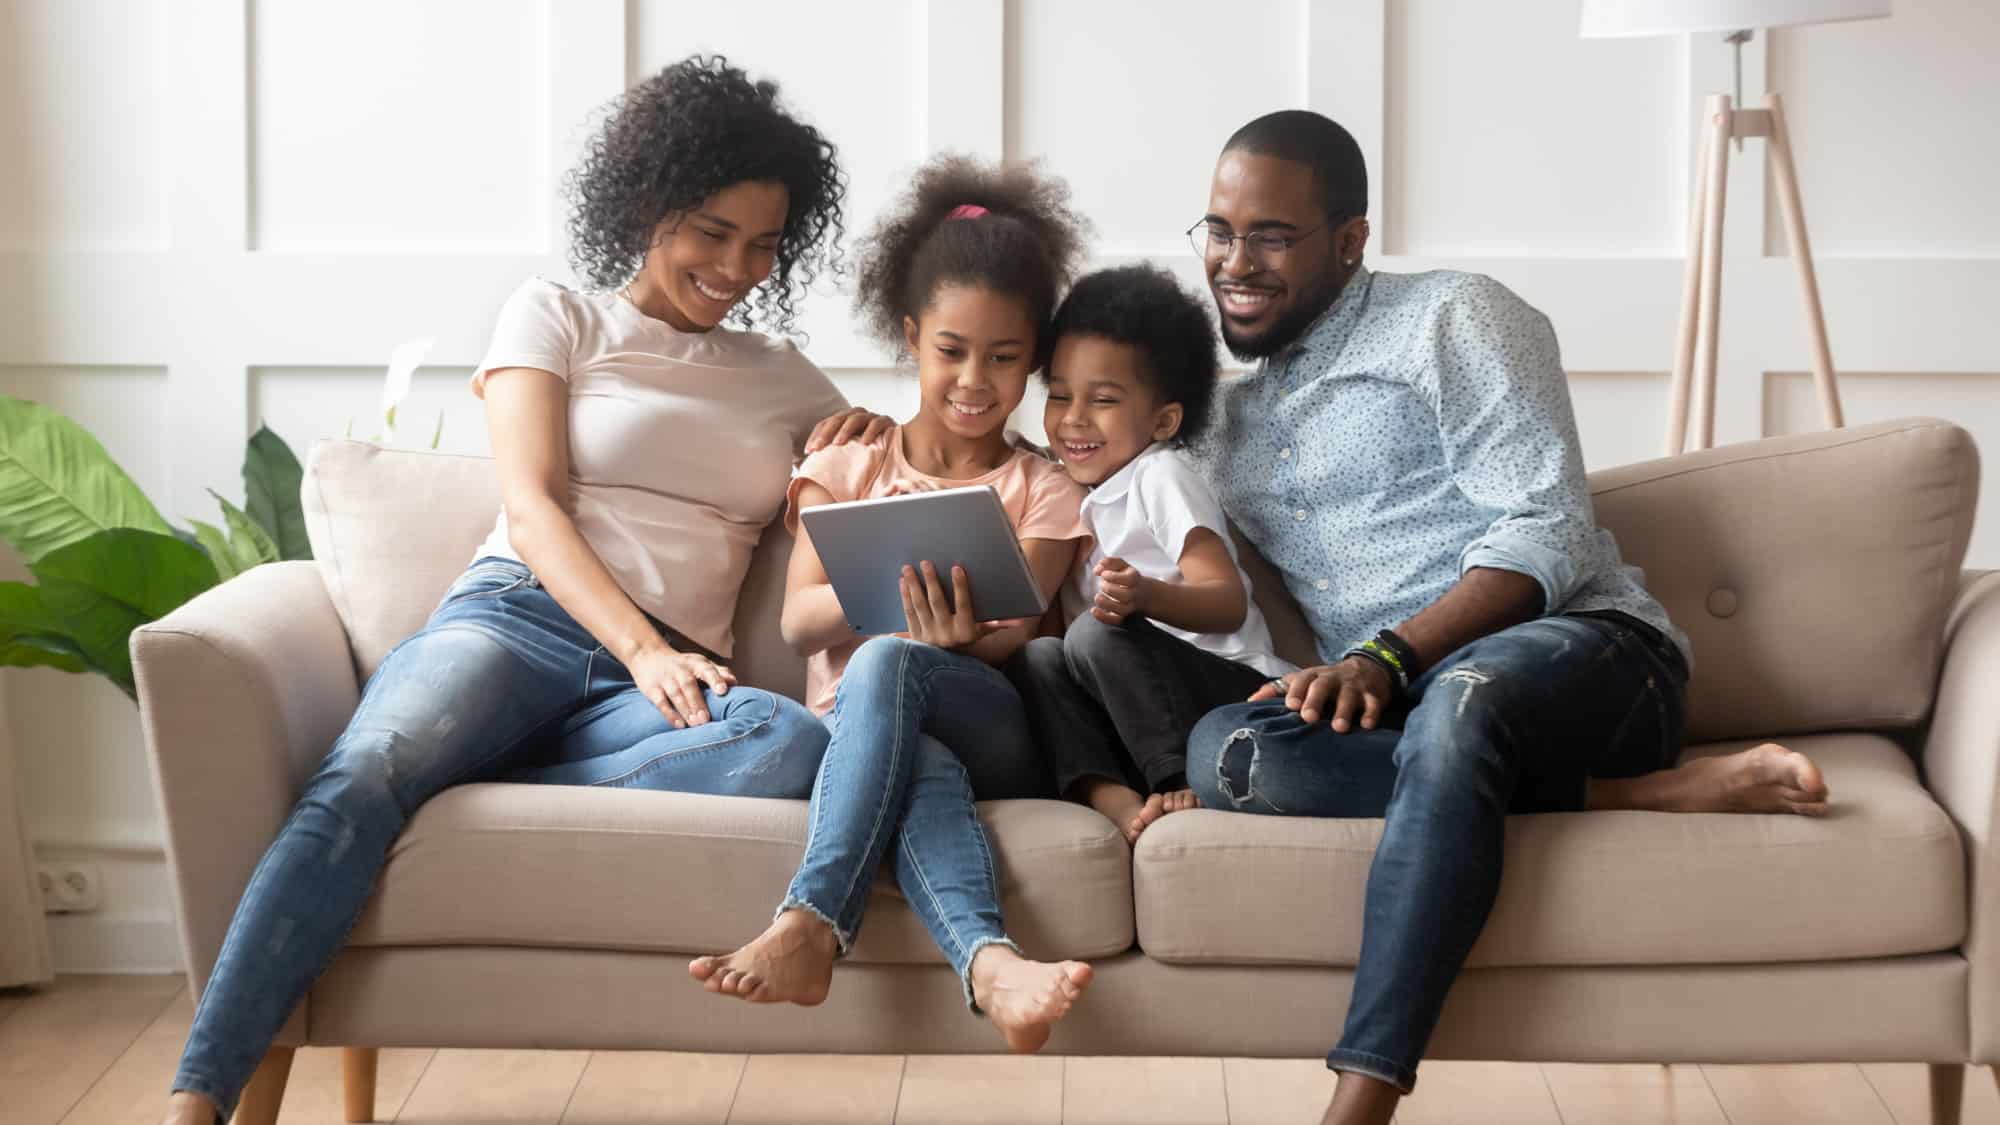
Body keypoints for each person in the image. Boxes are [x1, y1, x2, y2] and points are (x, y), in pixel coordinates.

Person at [161, 56, 887, 1125]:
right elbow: (535, 505)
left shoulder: (780, 374)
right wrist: (638, 647)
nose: (735, 266)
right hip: (519, 623)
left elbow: (896, 463)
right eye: (709, 231)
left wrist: (869, 441)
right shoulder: (556, 315)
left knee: (788, 746)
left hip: (662, 679)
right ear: (647, 205)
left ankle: (493, 755)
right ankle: (198, 1098)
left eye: (763, 244)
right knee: (363, 774)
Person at [1177, 110, 1832, 1125]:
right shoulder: (1220, 421)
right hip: (1405, 703)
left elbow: (1548, 529)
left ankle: (1359, 1098)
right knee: (1227, 751)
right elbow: (1077, 444)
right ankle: (1641, 797)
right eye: (1217, 231)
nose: (1233, 261)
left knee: (1463, 703)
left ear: (1349, 240)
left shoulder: (1456, 318)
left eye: (1269, 234)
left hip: (1585, 656)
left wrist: (1390, 657)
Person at [687, 156, 1098, 1053]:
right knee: (917, 759)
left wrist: (927, 636)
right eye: (951, 351)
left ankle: (809, 921)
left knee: (889, 661)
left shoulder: (1045, 487)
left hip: (996, 724)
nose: (974, 382)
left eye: (1005, 358)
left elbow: (1009, 636)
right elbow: (799, 622)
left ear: (1034, 358)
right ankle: (992, 966)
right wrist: (891, 603)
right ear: (912, 336)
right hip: (863, 738)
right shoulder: (843, 467)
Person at [1007, 264, 1292, 844]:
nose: (1073, 418)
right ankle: (1110, 793)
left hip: (1230, 694)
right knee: (1039, 656)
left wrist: (1147, 596)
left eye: (1103, 399)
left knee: (1093, 634)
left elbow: (1227, 602)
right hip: (1138, 710)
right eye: (1058, 395)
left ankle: (1173, 782)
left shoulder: (1159, 475)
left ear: (1162, 421)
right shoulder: (1067, 489)